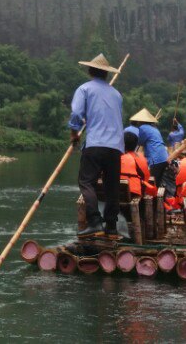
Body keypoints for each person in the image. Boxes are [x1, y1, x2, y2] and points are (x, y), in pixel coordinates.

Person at [69, 54, 125, 238]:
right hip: (116, 146)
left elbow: (76, 113)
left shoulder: (84, 89)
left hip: (95, 144)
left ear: (90, 71)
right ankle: (111, 226)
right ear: (106, 74)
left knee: (86, 182)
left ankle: (94, 222)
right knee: (112, 187)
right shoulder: (116, 95)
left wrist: (74, 134)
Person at [128, 108, 170, 187]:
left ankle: (153, 198)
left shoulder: (143, 128)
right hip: (164, 157)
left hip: (156, 158)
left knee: (153, 183)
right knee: (158, 182)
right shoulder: (154, 128)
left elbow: (139, 142)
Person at [121, 129, 157, 198]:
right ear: (136, 145)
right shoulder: (141, 158)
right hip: (136, 194)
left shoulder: (116, 157)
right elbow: (146, 178)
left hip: (116, 195)